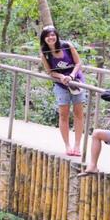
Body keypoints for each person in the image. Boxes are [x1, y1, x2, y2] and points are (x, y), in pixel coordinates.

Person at [40, 25, 85, 156]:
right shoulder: (45, 53)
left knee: (78, 113)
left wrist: (71, 76)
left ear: (57, 36)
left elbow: (78, 63)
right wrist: (61, 77)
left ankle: (77, 146)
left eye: (53, 35)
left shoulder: (67, 46)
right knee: (63, 114)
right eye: (48, 36)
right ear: (44, 38)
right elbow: (50, 71)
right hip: (60, 85)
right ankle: (67, 146)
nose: (51, 37)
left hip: (76, 82)